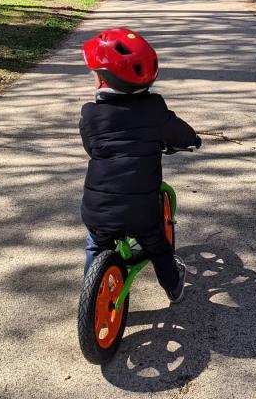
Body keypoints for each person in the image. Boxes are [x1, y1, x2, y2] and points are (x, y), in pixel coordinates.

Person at [79, 27, 201, 303]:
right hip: (142, 212)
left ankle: (94, 292)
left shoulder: (90, 114)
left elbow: (91, 147)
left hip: (97, 210)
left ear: (102, 79)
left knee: (95, 245)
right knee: (159, 247)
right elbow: (180, 133)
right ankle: (173, 287)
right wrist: (193, 140)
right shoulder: (155, 109)